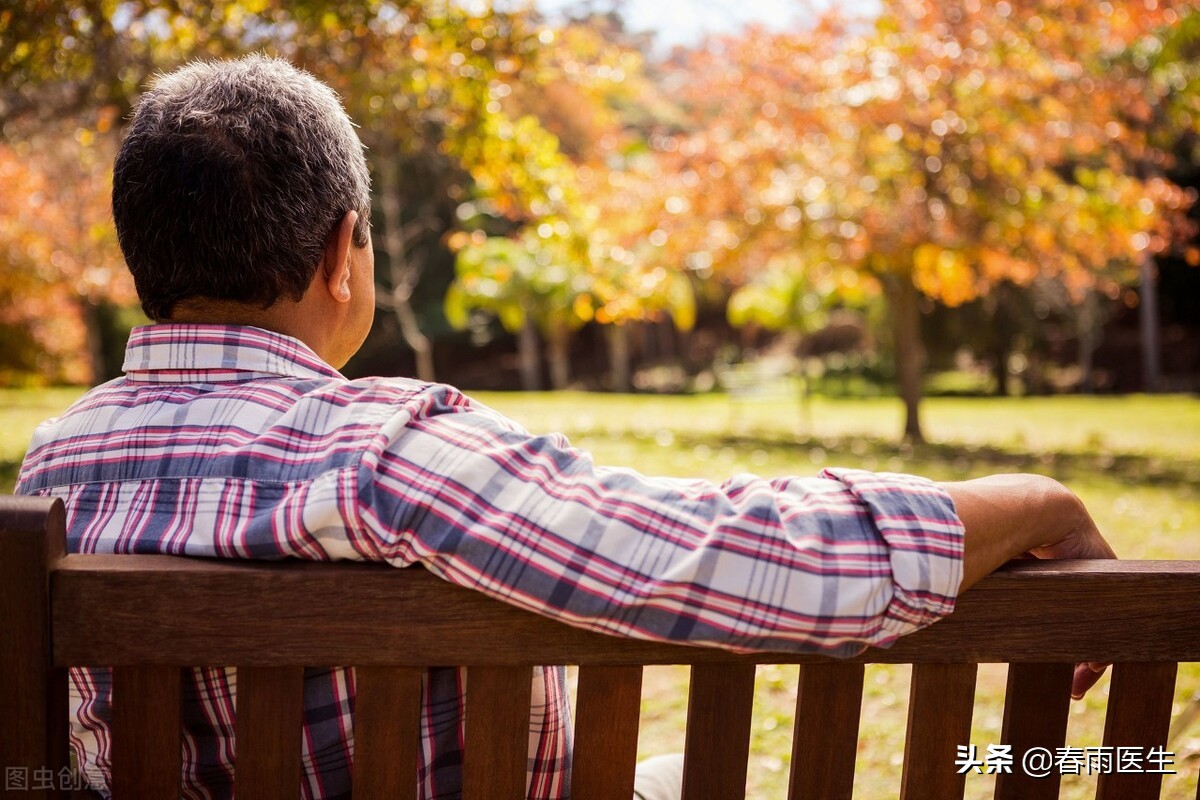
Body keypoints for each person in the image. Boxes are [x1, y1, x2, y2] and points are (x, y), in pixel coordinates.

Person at [16, 55, 1114, 800]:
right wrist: (1034, 498)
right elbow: (733, 561)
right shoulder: (381, 454)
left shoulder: (54, 467)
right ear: (341, 251)